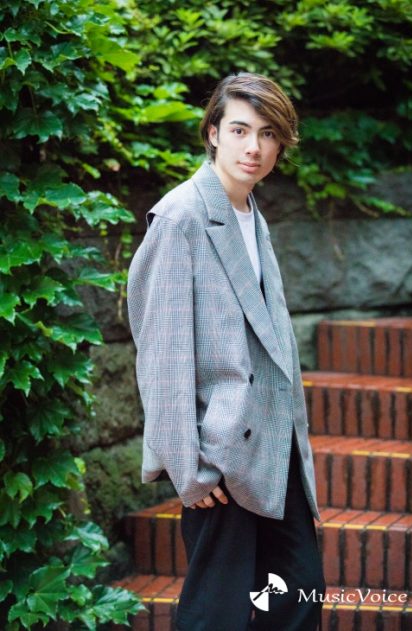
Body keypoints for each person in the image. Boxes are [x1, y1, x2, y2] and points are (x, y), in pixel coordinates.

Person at [127, 73, 326, 631]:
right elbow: (162, 357)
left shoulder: (251, 214)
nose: (253, 147)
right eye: (239, 130)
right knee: (219, 612)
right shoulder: (181, 218)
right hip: (219, 460)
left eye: (267, 133)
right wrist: (188, 471)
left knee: (298, 593)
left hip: (274, 448)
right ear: (213, 133)